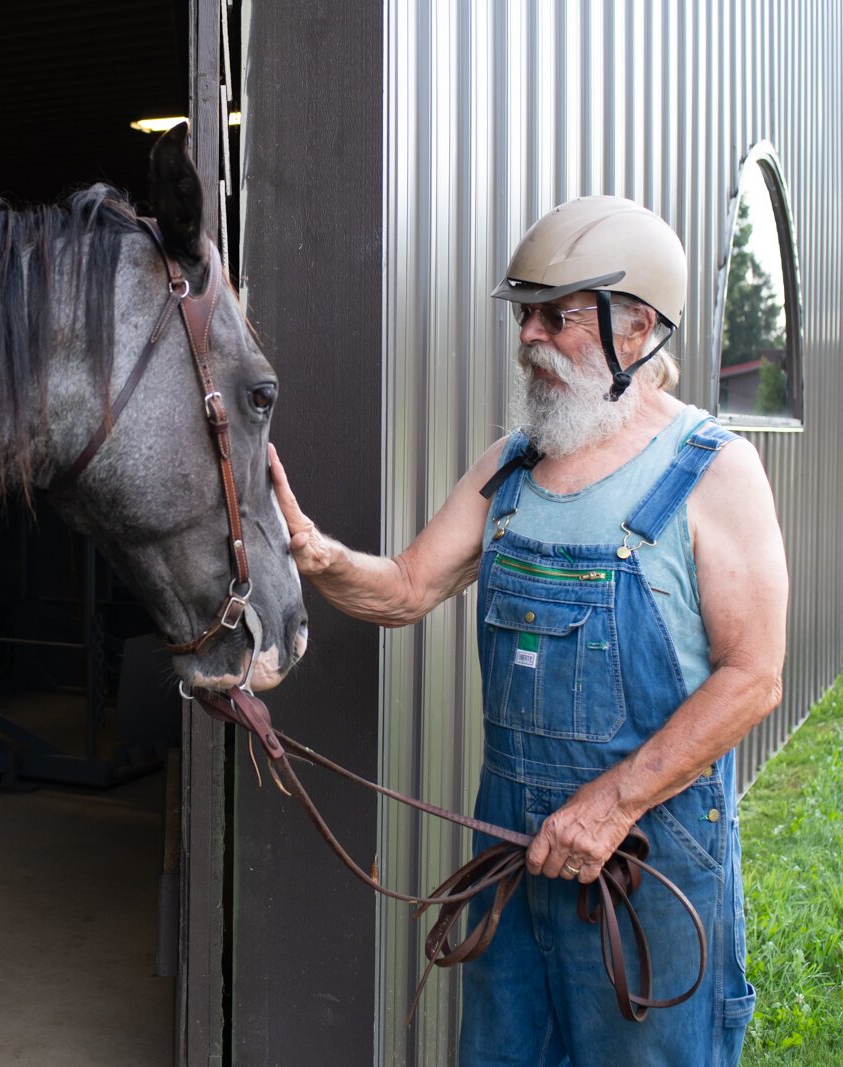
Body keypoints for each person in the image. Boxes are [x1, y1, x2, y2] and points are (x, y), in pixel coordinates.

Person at [271, 195, 787, 1066]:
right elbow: (404, 587)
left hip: (648, 858)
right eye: (526, 315)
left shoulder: (715, 471)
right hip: (513, 849)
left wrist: (613, 802)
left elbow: (754, 677)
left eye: (558, 317)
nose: (529, 338)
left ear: (640, 330)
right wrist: (319, 559)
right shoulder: (512, 460)